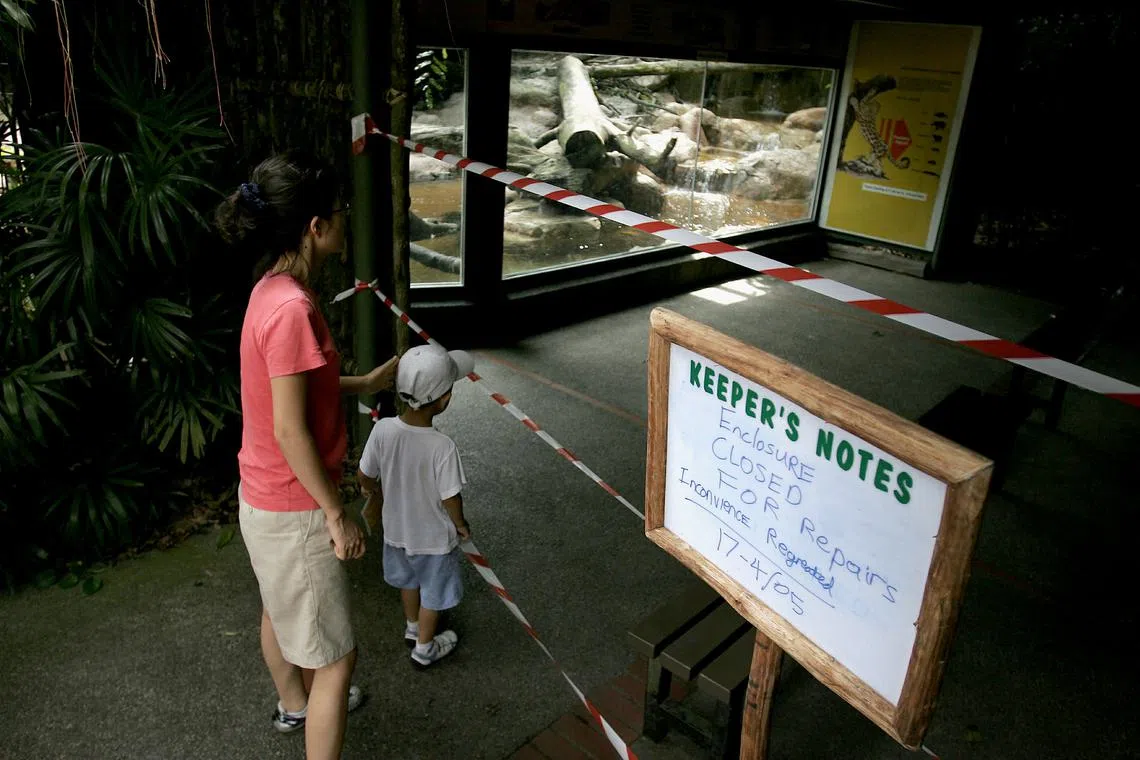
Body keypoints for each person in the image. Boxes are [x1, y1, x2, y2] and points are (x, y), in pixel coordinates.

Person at [215, 151, 398, 760]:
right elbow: (292, 430)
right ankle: (309, 708)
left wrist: (364, 384)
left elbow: (291, 389)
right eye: (340, 215)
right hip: (293, 507)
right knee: (338, 658)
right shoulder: (293, 309)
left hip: (261, 494)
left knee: (279, 606)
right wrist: (336, 513)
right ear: (315, 227)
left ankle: (294, 705)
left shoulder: (270, 290)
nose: (346, 224)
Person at [357, 345, 474, 668]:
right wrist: (460, 524)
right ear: (444, 399)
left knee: (409, 583)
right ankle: (425, 648)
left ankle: (412, 627)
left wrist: (374, 493)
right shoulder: (442, 447)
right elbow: (451, 497)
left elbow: (364, 475)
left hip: (397, 534)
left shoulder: (382, 430)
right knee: (433, 594)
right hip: (434, 541)